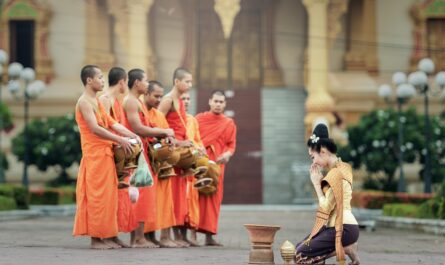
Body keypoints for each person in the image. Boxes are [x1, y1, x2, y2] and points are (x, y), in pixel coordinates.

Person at [73, 65, 138, 249]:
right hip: (94, 156)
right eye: (100, 77)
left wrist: (132, 136)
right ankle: (96, 239)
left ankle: (108, 235)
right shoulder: (84, 102)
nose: (103, 80)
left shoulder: (97, 101)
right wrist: (120, 140)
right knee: (97, 197)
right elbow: (95, 128)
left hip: (106, 154)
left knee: (109, 198)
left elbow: (112, 123)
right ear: (89, 80)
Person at [122, 68, 174, 248]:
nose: (147, 84)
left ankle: (138, 237)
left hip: (142, 151)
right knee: (140, 194)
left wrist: (161, 136)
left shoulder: (137, 102)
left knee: (143, 194)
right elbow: (138, 128)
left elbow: (147, 126)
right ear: (137, 83)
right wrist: (163, 131)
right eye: (145, 81)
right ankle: (137, 239)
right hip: (135, 153)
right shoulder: (130, 101)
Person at [294, 123, 360, 265]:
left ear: (323, 151)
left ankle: (345, 248)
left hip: (344, 227)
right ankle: (345, 248)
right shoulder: (343, 167)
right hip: (337, 226)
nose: (314, 162)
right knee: (297, 250)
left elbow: (326, 207)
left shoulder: (336, 173)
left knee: (301, 254)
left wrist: (317, 184)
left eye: (313, 157)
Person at [98, 67, 136, 247]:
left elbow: (116, 125)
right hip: (108, 151)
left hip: (119, 149)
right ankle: (105, 235)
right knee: (108, 196)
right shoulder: (104, 100)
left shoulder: (117, 101)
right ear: (122, 81)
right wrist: (120, 141)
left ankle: (113, 234)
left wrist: (132, 138)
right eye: (126, 81)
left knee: (118, 196)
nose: (126, 85)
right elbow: (103, 127)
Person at [158, 67, 194, 247]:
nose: (190, 84)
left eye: (190, 81)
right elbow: (156, 124)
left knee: (177, 198)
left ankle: (171, 236)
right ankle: (164, 237)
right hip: (170, 153)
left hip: (180, 156)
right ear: (176, 81)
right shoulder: (167, 100)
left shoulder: (179, 101)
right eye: (187, 81)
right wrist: (178, 143)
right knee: (168, 197)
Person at [195, 90, 237, 246]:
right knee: (196, 196)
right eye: (216, 101)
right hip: (200, 163)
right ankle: (192, 234)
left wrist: (227, 154)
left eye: (221, 102)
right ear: (210, 101)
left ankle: (209, 236)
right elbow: (193, 138)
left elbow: (231, 145)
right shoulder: (199, 119)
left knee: (214, 199)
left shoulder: (228, 123)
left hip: (217, 166)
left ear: (225, 104)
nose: (218, 104)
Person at [143, 80, 179, 248]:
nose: (159, 99)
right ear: (146, 94)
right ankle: (147, 236)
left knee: (165, 201)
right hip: (146, 162)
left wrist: (170, 140)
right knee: (148, 200)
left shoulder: (157, 115)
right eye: (156, 96)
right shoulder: (141, 111)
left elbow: (167, 134)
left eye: (160, 96)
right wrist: (161, 135)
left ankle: (162, 237)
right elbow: (141, 131)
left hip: (161, 164)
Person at [180, 91, 204, 246]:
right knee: (181, 200)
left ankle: (192, 235)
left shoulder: (192, 120)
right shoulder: (173, 118)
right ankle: (179, 235)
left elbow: (197, 139)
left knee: (193, 200)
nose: (186, 101)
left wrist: (201, 149)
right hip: (180, 165)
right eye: (183, 98)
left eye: (188, 98)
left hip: (192, 165)